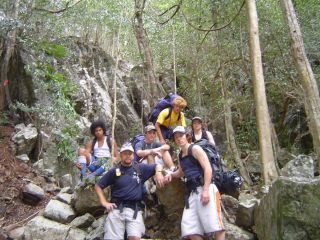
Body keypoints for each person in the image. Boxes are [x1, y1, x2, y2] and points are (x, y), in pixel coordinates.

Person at [165, 126, 225, 240]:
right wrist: (171, 174)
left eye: (181, 136)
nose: (179, 139)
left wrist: (206, 190)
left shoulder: (195, 149)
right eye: (176, 137)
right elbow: (181, 172)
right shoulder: (180, 155)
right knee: (189, 230)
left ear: (186, 136)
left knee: (216, 226)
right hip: (192, 193)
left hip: (205, 187)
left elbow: (208, 169)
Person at [95, 142, 165, 240]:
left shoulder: (140, 168)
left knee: (134, 237)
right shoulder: (114, 171)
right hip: (116, 209)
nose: (128, 156)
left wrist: (158, 173)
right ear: (121, 155)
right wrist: (104, 203)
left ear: (133, 155)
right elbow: (98, 186)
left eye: (130, 153)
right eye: (125, 153)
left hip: (134, 209)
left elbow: (157, 165)